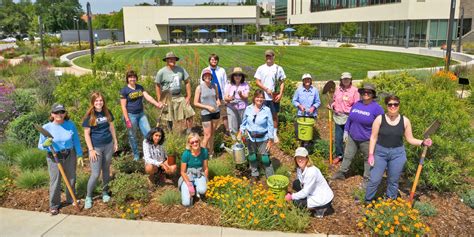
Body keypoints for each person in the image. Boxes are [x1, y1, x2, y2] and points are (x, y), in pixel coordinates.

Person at [365, 95, 432, 202]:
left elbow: (410, 139)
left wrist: (423, 142)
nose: (393, 106)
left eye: (395, 104)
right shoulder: (379, 119)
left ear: (399, 106)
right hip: (380, 153)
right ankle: (368, 201)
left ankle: (390, 201)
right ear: (386, 106)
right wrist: (371, 154)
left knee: (393, 180)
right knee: (374, 179)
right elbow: (373, 137)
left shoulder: (405, 121)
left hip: (397, 154)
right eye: (390, 104)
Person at [332, 83, 384, 186]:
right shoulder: (357, 104)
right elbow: (350, 119)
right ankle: (342, 172)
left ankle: (367, 178)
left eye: (369, 92)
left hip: (367, 139)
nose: (366, 94)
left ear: (373, 95)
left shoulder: (377, 108)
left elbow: (381, 123)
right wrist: (346, 131)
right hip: (352, 137)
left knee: (368, 159)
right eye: (364, 92)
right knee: (347, 155)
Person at [38, 103, 83, 215]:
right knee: (55, 181)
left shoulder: (70, 125)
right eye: (56, 112)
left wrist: (80, 154)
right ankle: (54, 205)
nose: (59, 114)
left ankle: (70, 199)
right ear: (52, 114)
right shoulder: (46, 127)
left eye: (62, 112)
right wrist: (45, 145)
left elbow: (76, 140)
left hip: (69, 154)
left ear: (65, 113)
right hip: (54, 156)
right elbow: (40, 145)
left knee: (71, 178)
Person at [82, 92, 118, 209]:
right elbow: (86, 134)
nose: (99, 103)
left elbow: (111, 127)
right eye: (96, 101)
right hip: (96, 148)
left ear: (103, 101)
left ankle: (105, 192)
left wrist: (115, 142)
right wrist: (91, 150)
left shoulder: (107, 112)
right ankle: (88, 197)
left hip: (108, 145)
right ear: (93, 102)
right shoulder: (89, 116)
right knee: (96, 173)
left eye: (101, 100)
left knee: (106, 170)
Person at [120, 70, 164, 161]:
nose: (132, 79)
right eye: (130, 77)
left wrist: (157, 104)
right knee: (132, 135)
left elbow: (148, 97)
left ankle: (149, 153)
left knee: (149, 134)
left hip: (141, 115)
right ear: (127, 79)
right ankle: (136, 155)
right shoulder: (124, 90)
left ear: (136, 78)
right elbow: (123, 107)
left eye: (134, 77)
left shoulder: (140, 87)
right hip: (131, 116)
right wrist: (127, 120)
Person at [285, 147, 334, 218]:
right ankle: (311, 203)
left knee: (297, 202)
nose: (300, 159)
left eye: (302, 157)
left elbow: (305, 192)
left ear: (307, 158)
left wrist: (292, 196)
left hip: (323, 197)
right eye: (298, 157)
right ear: (295, 159)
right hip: (313, 190)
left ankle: (321, 208)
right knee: (296, 183)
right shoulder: (299, 168)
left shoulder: (311, 171)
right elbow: (302, 182)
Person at [238, 89, 274, 181]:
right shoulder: (248, 109)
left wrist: (270, 140)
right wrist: (240, 132)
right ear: (254, 98)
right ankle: (255, 174)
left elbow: (270, 126)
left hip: (263, 138)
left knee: (265, 159)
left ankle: (270, 177)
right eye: (258, 97)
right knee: (252, 156)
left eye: (262, 97)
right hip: (250, 138)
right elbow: (244, 123)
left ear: (264, 99)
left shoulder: (267, 110)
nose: (259, 99)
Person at [155, 52, 195, 133]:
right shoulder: (161, 72)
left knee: (189, 113)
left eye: (173, 58)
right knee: (168, 117)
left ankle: (189, 131)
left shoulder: (181, 70)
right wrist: (160, 100)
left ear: (175, 60)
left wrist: (188, 96)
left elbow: (187, 82)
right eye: (169, 59)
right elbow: (157, 85)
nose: (171, 60)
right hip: (167, 97)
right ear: (166, 60)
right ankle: (170, 133)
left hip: (179, 96)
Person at [254, 49, 286, 143]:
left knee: (274, 115)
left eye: (270, 56)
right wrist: (266, 89)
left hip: (274, 97)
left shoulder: (278, 68)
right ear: (265, 57)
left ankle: (274, 134)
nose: (268, 58)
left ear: (273, 57)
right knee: (262, 115)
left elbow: (282, 82)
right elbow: (257, 81)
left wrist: (280, 94)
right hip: (263, 97)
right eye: (267, 56)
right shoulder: (261, 68)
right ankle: (264, 132)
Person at [329, 72, 360, 165]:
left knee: (349, 139)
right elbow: (335, 101)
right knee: (338, 138)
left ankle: (350, 157)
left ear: (351, 79)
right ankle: (339, 155)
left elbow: (357, 105)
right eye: (344, 79)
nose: (346, 80)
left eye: (348, 79)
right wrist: (332, 105)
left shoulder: (355, 91)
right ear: (341, 80)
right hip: (338, 117)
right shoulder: (338, 89)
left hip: (349, 117)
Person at [194, 69, 221, 157]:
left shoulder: (215, 86)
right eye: (206, 75)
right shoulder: (199, 88)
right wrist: (207, 107)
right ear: (203, 77)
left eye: (209, 75)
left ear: (211, 77)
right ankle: (199, 155)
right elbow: (195, 103)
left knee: (212, 133)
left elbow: (217, 97)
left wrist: (218, 101)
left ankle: (211, 153)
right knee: (207, 135)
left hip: (216, 112)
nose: (208, 77)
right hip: (206, 113)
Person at [201, 54, 230, 135]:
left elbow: (225, 83)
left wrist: (225, 95)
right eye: (212, 60)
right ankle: (210, 131)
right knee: (210, 114)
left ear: (217, 61)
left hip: (221, 96)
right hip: (209, 98)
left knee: (224, 114)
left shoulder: (222, 70)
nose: (214, 61)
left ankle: (227, 130)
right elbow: (201, 83)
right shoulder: (205, 70)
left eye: (215, 60)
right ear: (209, 61)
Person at [179, 133, 209, 207]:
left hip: (199, 173)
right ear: (189, 144)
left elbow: (205, 168)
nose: (195, 143)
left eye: (196, 141)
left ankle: (197, 190)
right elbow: (182, 172)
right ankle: (191, 191)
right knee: (186, 203)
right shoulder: (186, 154)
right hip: (188, 174)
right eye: (192, 142)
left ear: (199, 141)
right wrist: (189, 184)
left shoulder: (204, 151)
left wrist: (207, 181)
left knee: (203, 190)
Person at [224, 67, 250, 136]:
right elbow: (225, 98)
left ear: (242, 76)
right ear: (233, 76)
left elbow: (246, 97)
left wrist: (241, 95)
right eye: (236, 75)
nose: (237, 76)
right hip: (231, 108)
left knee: (243, 125)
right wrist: (231, 99)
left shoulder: (245, 85)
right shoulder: (229, 85)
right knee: (232, 126)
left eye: (239, 75)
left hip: (242, 107)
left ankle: (243, 143)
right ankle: (234, 143)